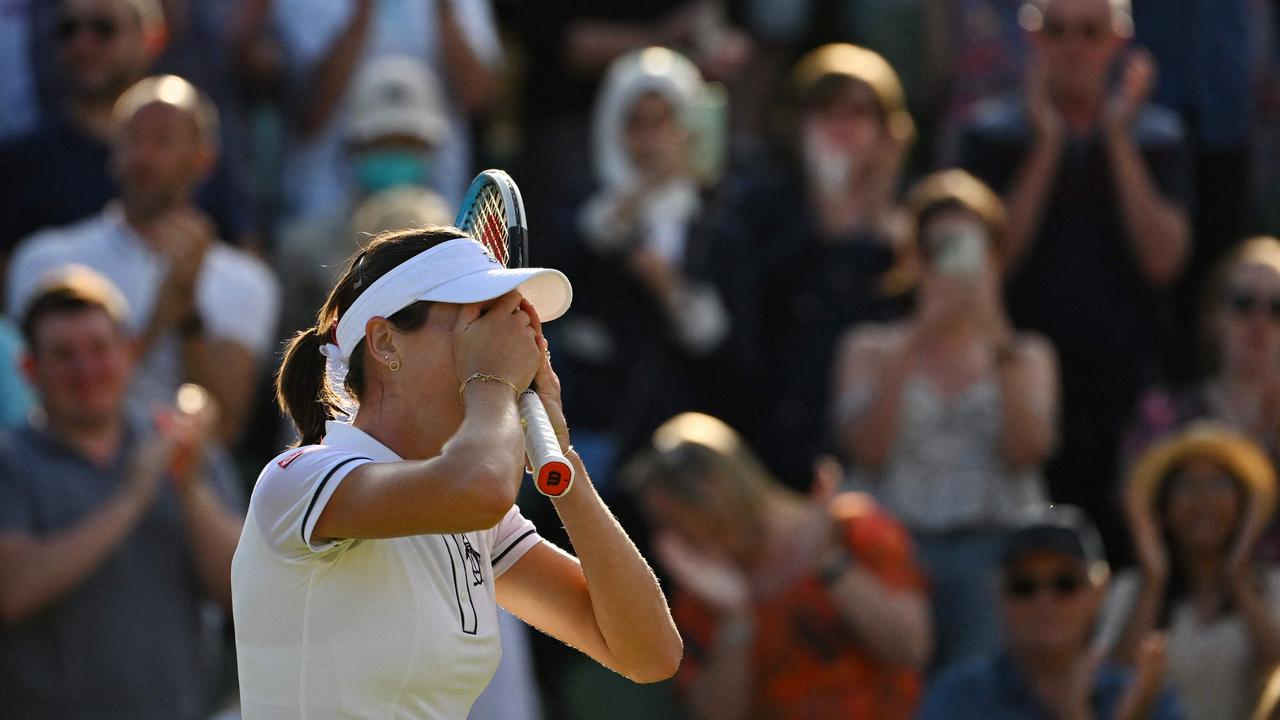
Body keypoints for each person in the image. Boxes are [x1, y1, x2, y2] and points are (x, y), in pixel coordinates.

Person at [231, 227, 682, 717]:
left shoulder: (476, 514)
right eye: (479, 319)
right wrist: (492, 380)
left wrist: (561, 460)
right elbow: (479, 488)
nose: (511, 341)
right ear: (384, 342)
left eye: (512, 318)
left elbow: (648, 654)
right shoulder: (300, 478)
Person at [957, 0, 1192, 563]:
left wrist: (1116, 141)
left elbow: (1164, 260)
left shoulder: (1157, 138)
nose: (1074, 48)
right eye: (1057, 31)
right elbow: (989, 264)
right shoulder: (990, 136)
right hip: (1022, 398)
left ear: (1118, 40)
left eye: (1091, 32)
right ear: (1030, 38)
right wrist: (1048, 147)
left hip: (1123, 390)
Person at [833, 169, 1058, 671]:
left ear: (995, 257)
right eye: (937, 249)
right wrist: (916, 338)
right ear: (913, 259)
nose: (953, 265)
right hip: (891, 557)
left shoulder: (1026, 355)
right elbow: (869, 450)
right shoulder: (869, 348)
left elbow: (1027, 450)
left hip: (991, 555)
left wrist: (994, 333)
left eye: (969, 247)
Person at [0, 267, 244, 719]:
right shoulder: (11, 463)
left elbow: (243, 595)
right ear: (30, 369)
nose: (86, 370)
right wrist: (133, 496)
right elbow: (12, 591)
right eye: (64, 355)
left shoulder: (183, 448)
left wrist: (189, 490)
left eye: (99, 350)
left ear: (129, 352)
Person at [6, 74, 280, 445]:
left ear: (203, 158)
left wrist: (187, 316)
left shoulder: (248, 281)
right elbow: (51, 403)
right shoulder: (44, 260)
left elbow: (225, 425)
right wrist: (159, 315)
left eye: (163, 140)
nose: (143, 155)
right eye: (132, 139)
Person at [623, 412, 929, 719]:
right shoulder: (701, 589)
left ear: (720, 489)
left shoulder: (852, 530)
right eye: (661, 526)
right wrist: (734, 619)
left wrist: (829, 563)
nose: (672, 542)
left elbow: (909, 649)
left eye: (678, 522)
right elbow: (714, 715)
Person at [547, 46, 750, 486]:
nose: (651, 138)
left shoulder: (718, 223)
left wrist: (670, 288)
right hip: (596, 433)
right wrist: (629, 202)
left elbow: (734, 349)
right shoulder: (580, 209)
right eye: (636, 122)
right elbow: (560, 278)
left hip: (685, 442)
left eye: (665, 121)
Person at [736, 43, 915, 484]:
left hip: (869, 432)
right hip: (774, 421)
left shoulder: (909, 211)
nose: (842, 126)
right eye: (826, 111)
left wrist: (878, 218)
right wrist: (825, 211)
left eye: (859, 112)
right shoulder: (762, 202)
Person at [0, 0, 253, 254]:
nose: (83, 44)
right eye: (67, 29)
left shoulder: (194, 159)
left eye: (104, 28)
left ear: (153, 38)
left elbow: (245, 269)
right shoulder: (20, 165)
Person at [919, 505, 1183, 719]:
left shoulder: (1145, 699)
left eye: (1065, 584)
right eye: (1024, 586)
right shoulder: (958, 698)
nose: (1044, 602)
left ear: (1099, 592)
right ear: (998, 595)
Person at [1099, 424, 1280, 720]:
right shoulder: (1130, 591)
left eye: (1218, 485)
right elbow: (1113, 687)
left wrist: (1239, 580)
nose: (1202, 501)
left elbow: (1276, 670)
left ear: (1242, 506)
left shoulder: (1272, 587)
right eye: (1187, 487)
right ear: (1163, 509)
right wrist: (1155, 579)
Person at [275, 54, 452, 336]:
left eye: (408, 143)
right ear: (354, 148)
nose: (396, 154)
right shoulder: (304, 249)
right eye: (382, 143)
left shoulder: (465, 242)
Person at [1125, 237, 1280, 462]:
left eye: (1277, 308)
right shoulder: (1163, 416)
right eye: (1243, 303)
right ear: (1213, 316)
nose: (1260, 321)